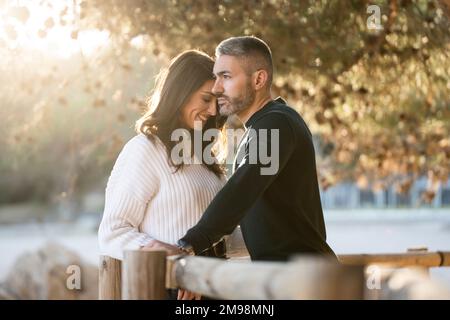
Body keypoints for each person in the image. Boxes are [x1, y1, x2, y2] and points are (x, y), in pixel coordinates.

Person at [178, 36, 336, 261]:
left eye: (226, 76)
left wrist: (189, 244)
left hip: (307, 282)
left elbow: (242, 189)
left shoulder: (278, 123)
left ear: (259, 79)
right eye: (216, 77)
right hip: (288, 280)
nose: (216, 88)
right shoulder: (259, 129)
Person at [98, 50, 227, 300]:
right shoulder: (145, 150)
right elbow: (112, 232)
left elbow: (221, 231)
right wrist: (171, 260)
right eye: (205, 99)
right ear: (180, 94)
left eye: (217, 101)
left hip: (214, 284)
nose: (213, 110)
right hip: (168, 289)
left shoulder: (205, 156)